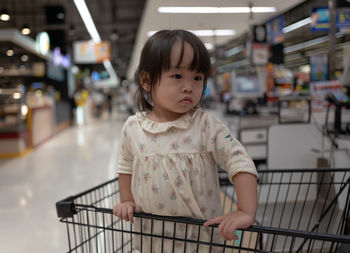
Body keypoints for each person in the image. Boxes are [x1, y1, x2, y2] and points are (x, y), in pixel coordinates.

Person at [113, 29, 258, 252]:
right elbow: (125, 165)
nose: (189, 86)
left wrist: (245, 210)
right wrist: (126, 200)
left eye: (197, 77)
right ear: (146, 80)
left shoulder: (206, 126)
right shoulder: (133, 128)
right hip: (152, 240)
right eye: (177, 76)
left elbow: (239, 161)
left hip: (200, 240)